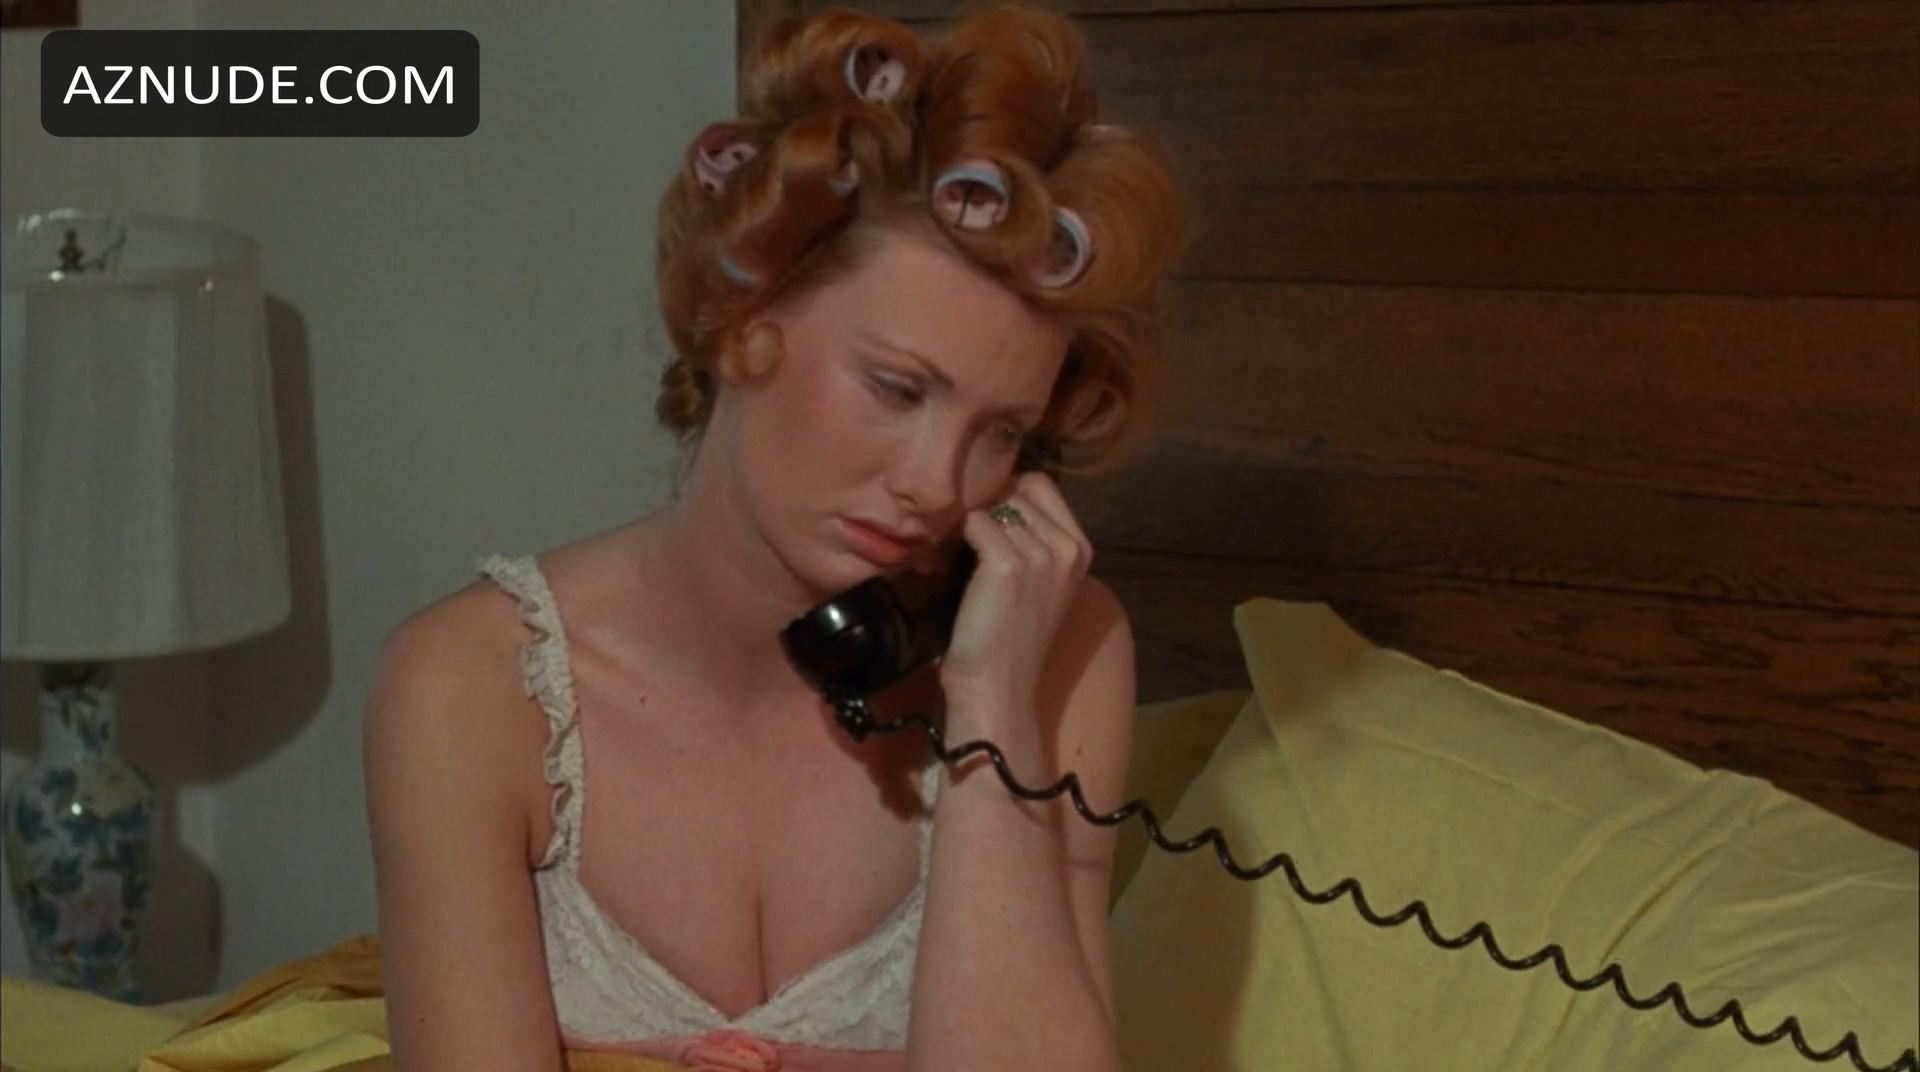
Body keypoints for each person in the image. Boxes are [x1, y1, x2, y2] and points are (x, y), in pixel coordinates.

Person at [362, 3, 1191, 1070]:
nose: (937, 487)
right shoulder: (465, 687)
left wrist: (990, 706)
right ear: (741, 321)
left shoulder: (1058, 651)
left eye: (1000, 433)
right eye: (896, 388)